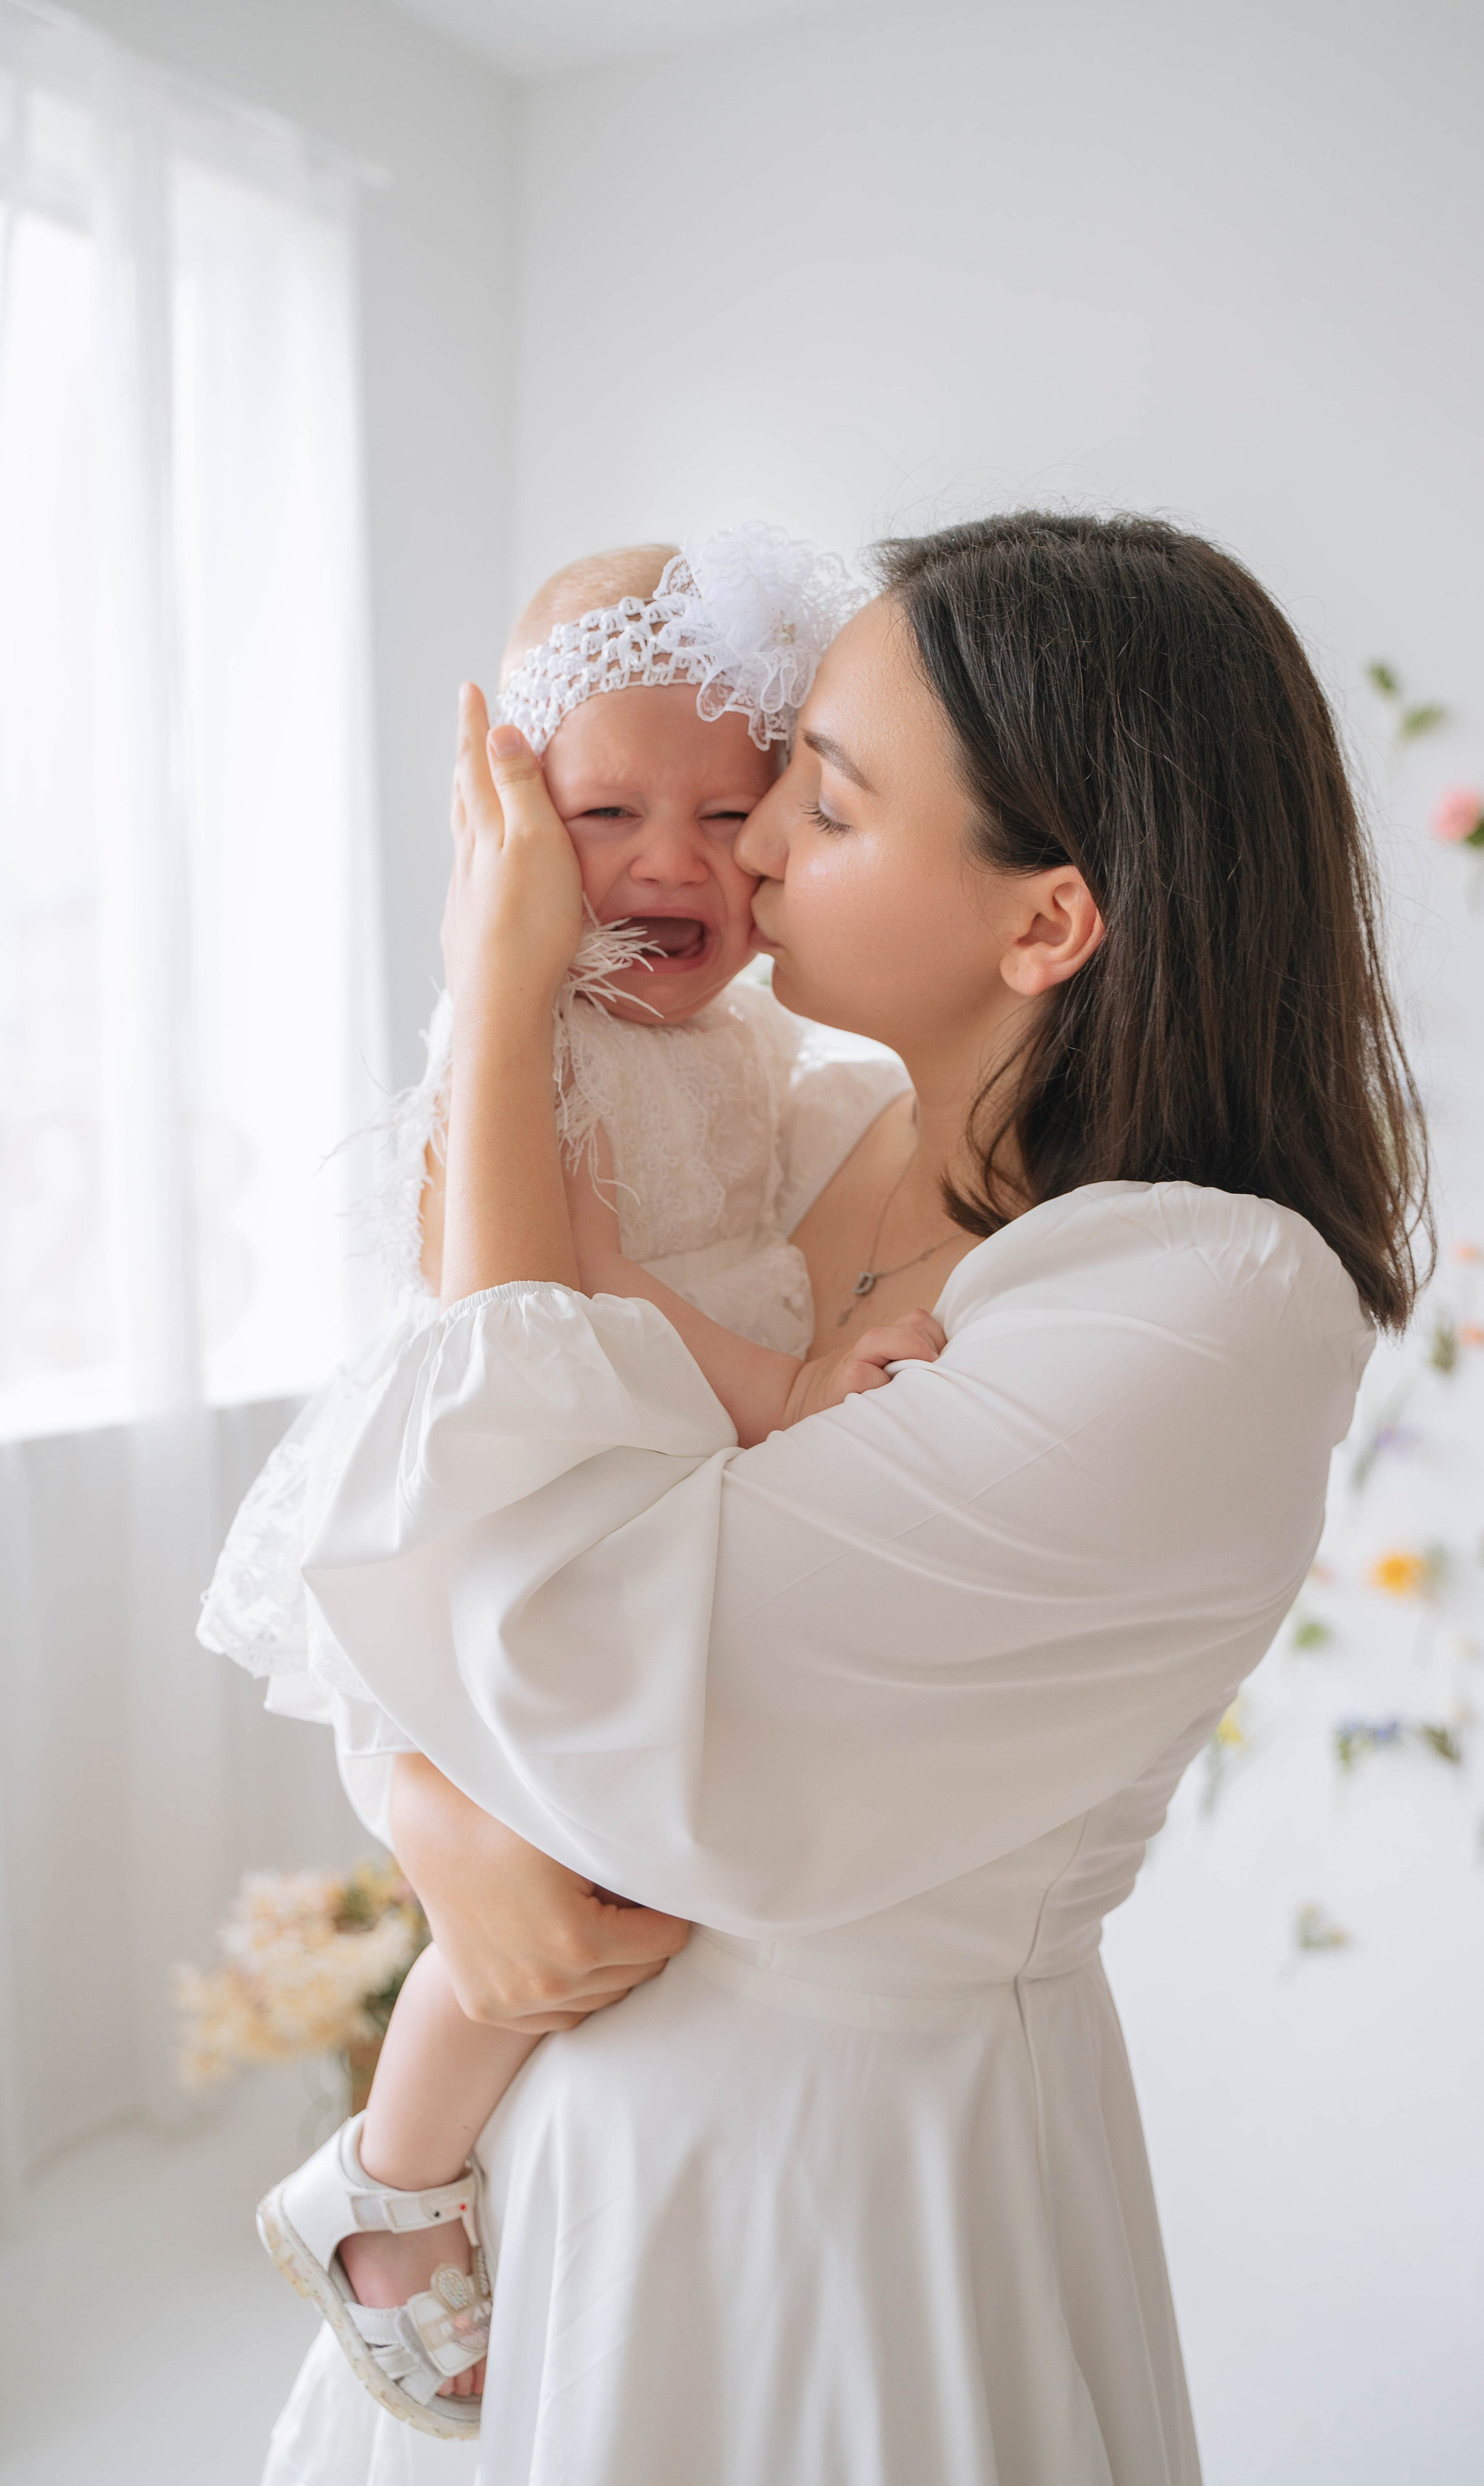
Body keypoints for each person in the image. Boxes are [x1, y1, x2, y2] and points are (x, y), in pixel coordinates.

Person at [269, 510, 1428, 2486]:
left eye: (820, 793)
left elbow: (595, 1680)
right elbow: (422, 1524)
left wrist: (491, 994)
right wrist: (420, 1802)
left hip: (834, 2203)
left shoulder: (1193, 1308)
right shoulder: (822, 1133)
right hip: (563, 2169)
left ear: (1049, 920)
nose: (749, 852)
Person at [203, 526, 937, 2435]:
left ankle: (446, 2182)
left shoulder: (767, 1048)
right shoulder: (533, 1046)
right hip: (499, 1494)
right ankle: (382, 2185)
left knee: (607, 1889)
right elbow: (562, 1306)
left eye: (730, 804)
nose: (674, 861)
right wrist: (785, 1387)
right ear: (518, 830)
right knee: (533, 1898)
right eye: (607, 811)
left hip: (629, 1486)